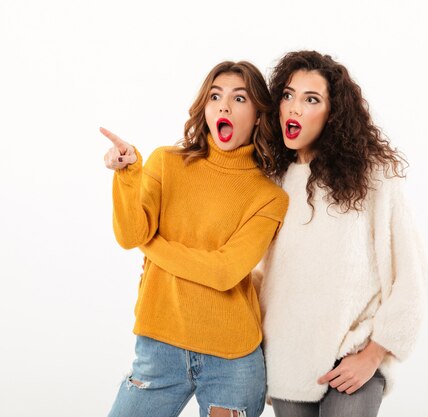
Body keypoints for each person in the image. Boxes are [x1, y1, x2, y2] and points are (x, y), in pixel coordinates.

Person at [101, 61, 289, 417]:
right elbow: (130, 235)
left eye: (239, 98)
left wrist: (152, 245)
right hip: (159, 347)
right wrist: (128, 177)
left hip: (232, 360)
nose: (224, 106)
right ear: (204, 107)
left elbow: (224, 272)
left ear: (259, 116)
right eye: (215, 96)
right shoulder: (164, 163)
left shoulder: (269, 197)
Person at [256, 51, 428, 417]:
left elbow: (411, 275)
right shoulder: (272, 183)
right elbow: (259, 274)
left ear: (333, 113)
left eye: (311, 99)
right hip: (289, 362)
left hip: (353, 357)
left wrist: (373, 354)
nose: (294, 109)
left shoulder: (373, 177)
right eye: (288, 96)